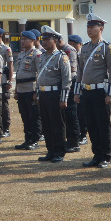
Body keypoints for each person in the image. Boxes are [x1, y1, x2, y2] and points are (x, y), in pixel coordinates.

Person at [75, 13, 111, 168]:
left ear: (101, 28)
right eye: (88, 26)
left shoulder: (107, 47)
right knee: (91, 124)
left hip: (100, 92)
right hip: (87, 91)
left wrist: (110, 94)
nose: (89, 29)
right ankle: (96, 154)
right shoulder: (85, 48)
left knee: (103, 125)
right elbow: (80, 71)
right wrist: (77, 91)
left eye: (93, 26)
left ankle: (105, 156)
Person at [35, 29, 72, 162]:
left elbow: (66, 79)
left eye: (47, 40)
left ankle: (59, 152)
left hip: (55, 94)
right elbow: (39, 77)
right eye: (43, 40)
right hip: (43, 93)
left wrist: (63, 98)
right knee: (46, 124)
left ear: (55, 41)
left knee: (57, 124)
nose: (44, 42)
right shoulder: (42, 56)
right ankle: (50, 150)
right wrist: (38, 95)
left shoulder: (61, 57)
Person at [12, 30, 43, 150]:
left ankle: (35, 140)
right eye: (22, 39)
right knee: (25, 116)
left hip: (31, 88)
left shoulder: (37, 54)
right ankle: (28, 139)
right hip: (21, 89)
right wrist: (16, 90)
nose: (22, 41)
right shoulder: (21, 55)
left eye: (25, 39)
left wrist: (37, 91)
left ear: (32, 40)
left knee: (34, 116)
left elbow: (40, 73)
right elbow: (19, 74)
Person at [60, 32, 84, 149]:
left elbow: (72, 71)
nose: (72, 45)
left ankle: (74, 141)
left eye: (75, 44)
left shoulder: (69, 50)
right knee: (67, 115)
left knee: (72, 113)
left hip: (72, 84)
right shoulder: (61, 51)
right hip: (65, 84)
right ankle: (70, 140)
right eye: (71, 43)